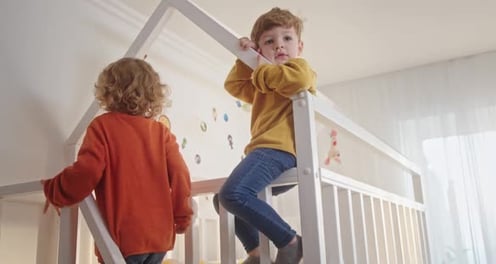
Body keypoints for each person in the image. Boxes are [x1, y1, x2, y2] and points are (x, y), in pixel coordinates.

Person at [41, 57, 193, 264]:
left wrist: (53, 188)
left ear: (109, 91)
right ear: (153, 93)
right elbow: (180, 174)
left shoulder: (102, 126)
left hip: (124, 238)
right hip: (161, 238)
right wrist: (182, 216)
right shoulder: (161, 133)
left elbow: (87, 172)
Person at [216, 7, 316, 264]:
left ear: (300, 46)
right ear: (260, 49)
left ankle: (290, 240)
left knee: (232, 195)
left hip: (281, 150)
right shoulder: (263, 85)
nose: (279, 46)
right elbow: (234, 85)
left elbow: (300, 80)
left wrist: (261, 69)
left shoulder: (298, 68)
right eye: (269, 41)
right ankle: (257, 253)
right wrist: (246, 58)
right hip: (265, 153)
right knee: (222, 200)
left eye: (287, 39)